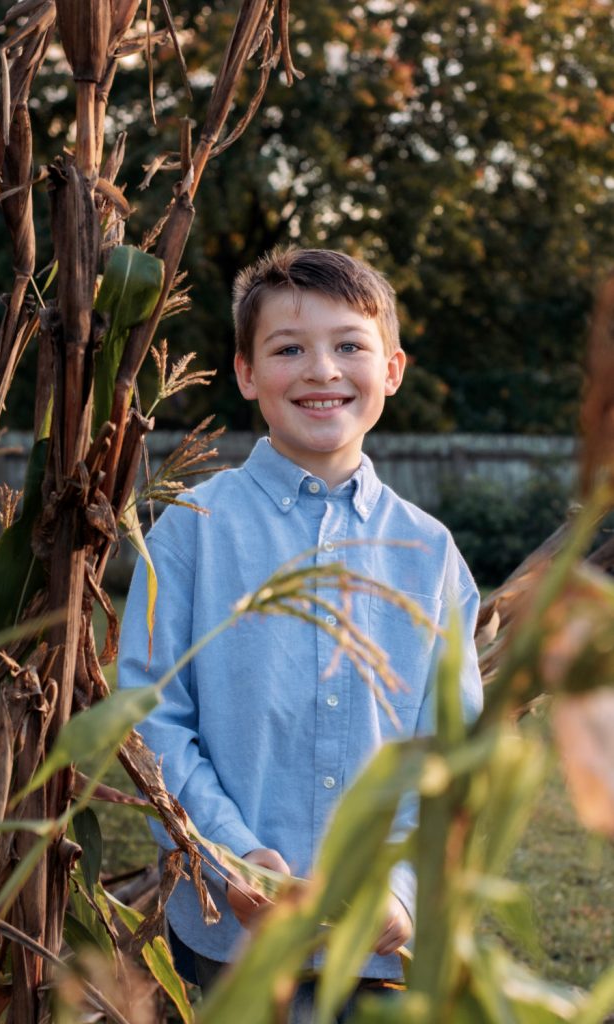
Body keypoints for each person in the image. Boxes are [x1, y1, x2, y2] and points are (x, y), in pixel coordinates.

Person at [118, 247, 482, 1020]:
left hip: (378, 942)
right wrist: (226, 853)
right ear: (247, 374)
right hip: (229, 934)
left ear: (391, 368)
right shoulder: (190, 531)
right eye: (289, 349)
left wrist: (405, 889)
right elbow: (151, 719)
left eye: (349, 345)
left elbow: (451, 751)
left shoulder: (430, 553)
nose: (322, 370)